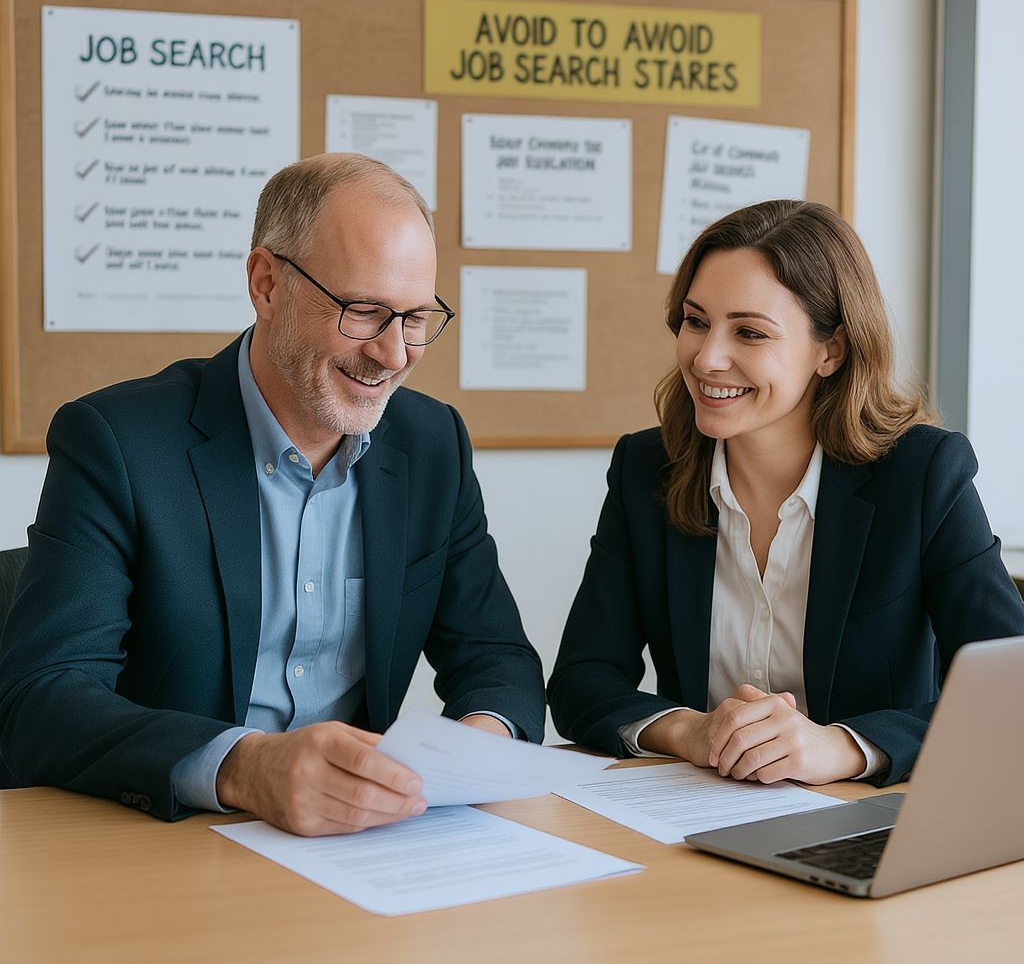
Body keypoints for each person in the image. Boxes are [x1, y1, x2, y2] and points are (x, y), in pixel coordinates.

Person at [0, 153, 545, 834]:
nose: (395, 354)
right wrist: (245, 768)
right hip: (163, 842)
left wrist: (475, 753)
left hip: (363, 851)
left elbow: (497, 657)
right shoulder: (117, 442)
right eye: (364, 311)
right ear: (266, 284)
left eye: (414, 317)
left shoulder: (433, 444)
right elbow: (40, 701)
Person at [548, 199, 1024, 787]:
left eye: (749, 332)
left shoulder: (922, 474)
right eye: (696, 321)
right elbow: (581, 681)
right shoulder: (647, 468)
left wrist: (844, 749)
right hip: (699, 818)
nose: (706, 357)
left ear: (833, 350)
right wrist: (689, 731)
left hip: (870, 821)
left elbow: (1009, 691)